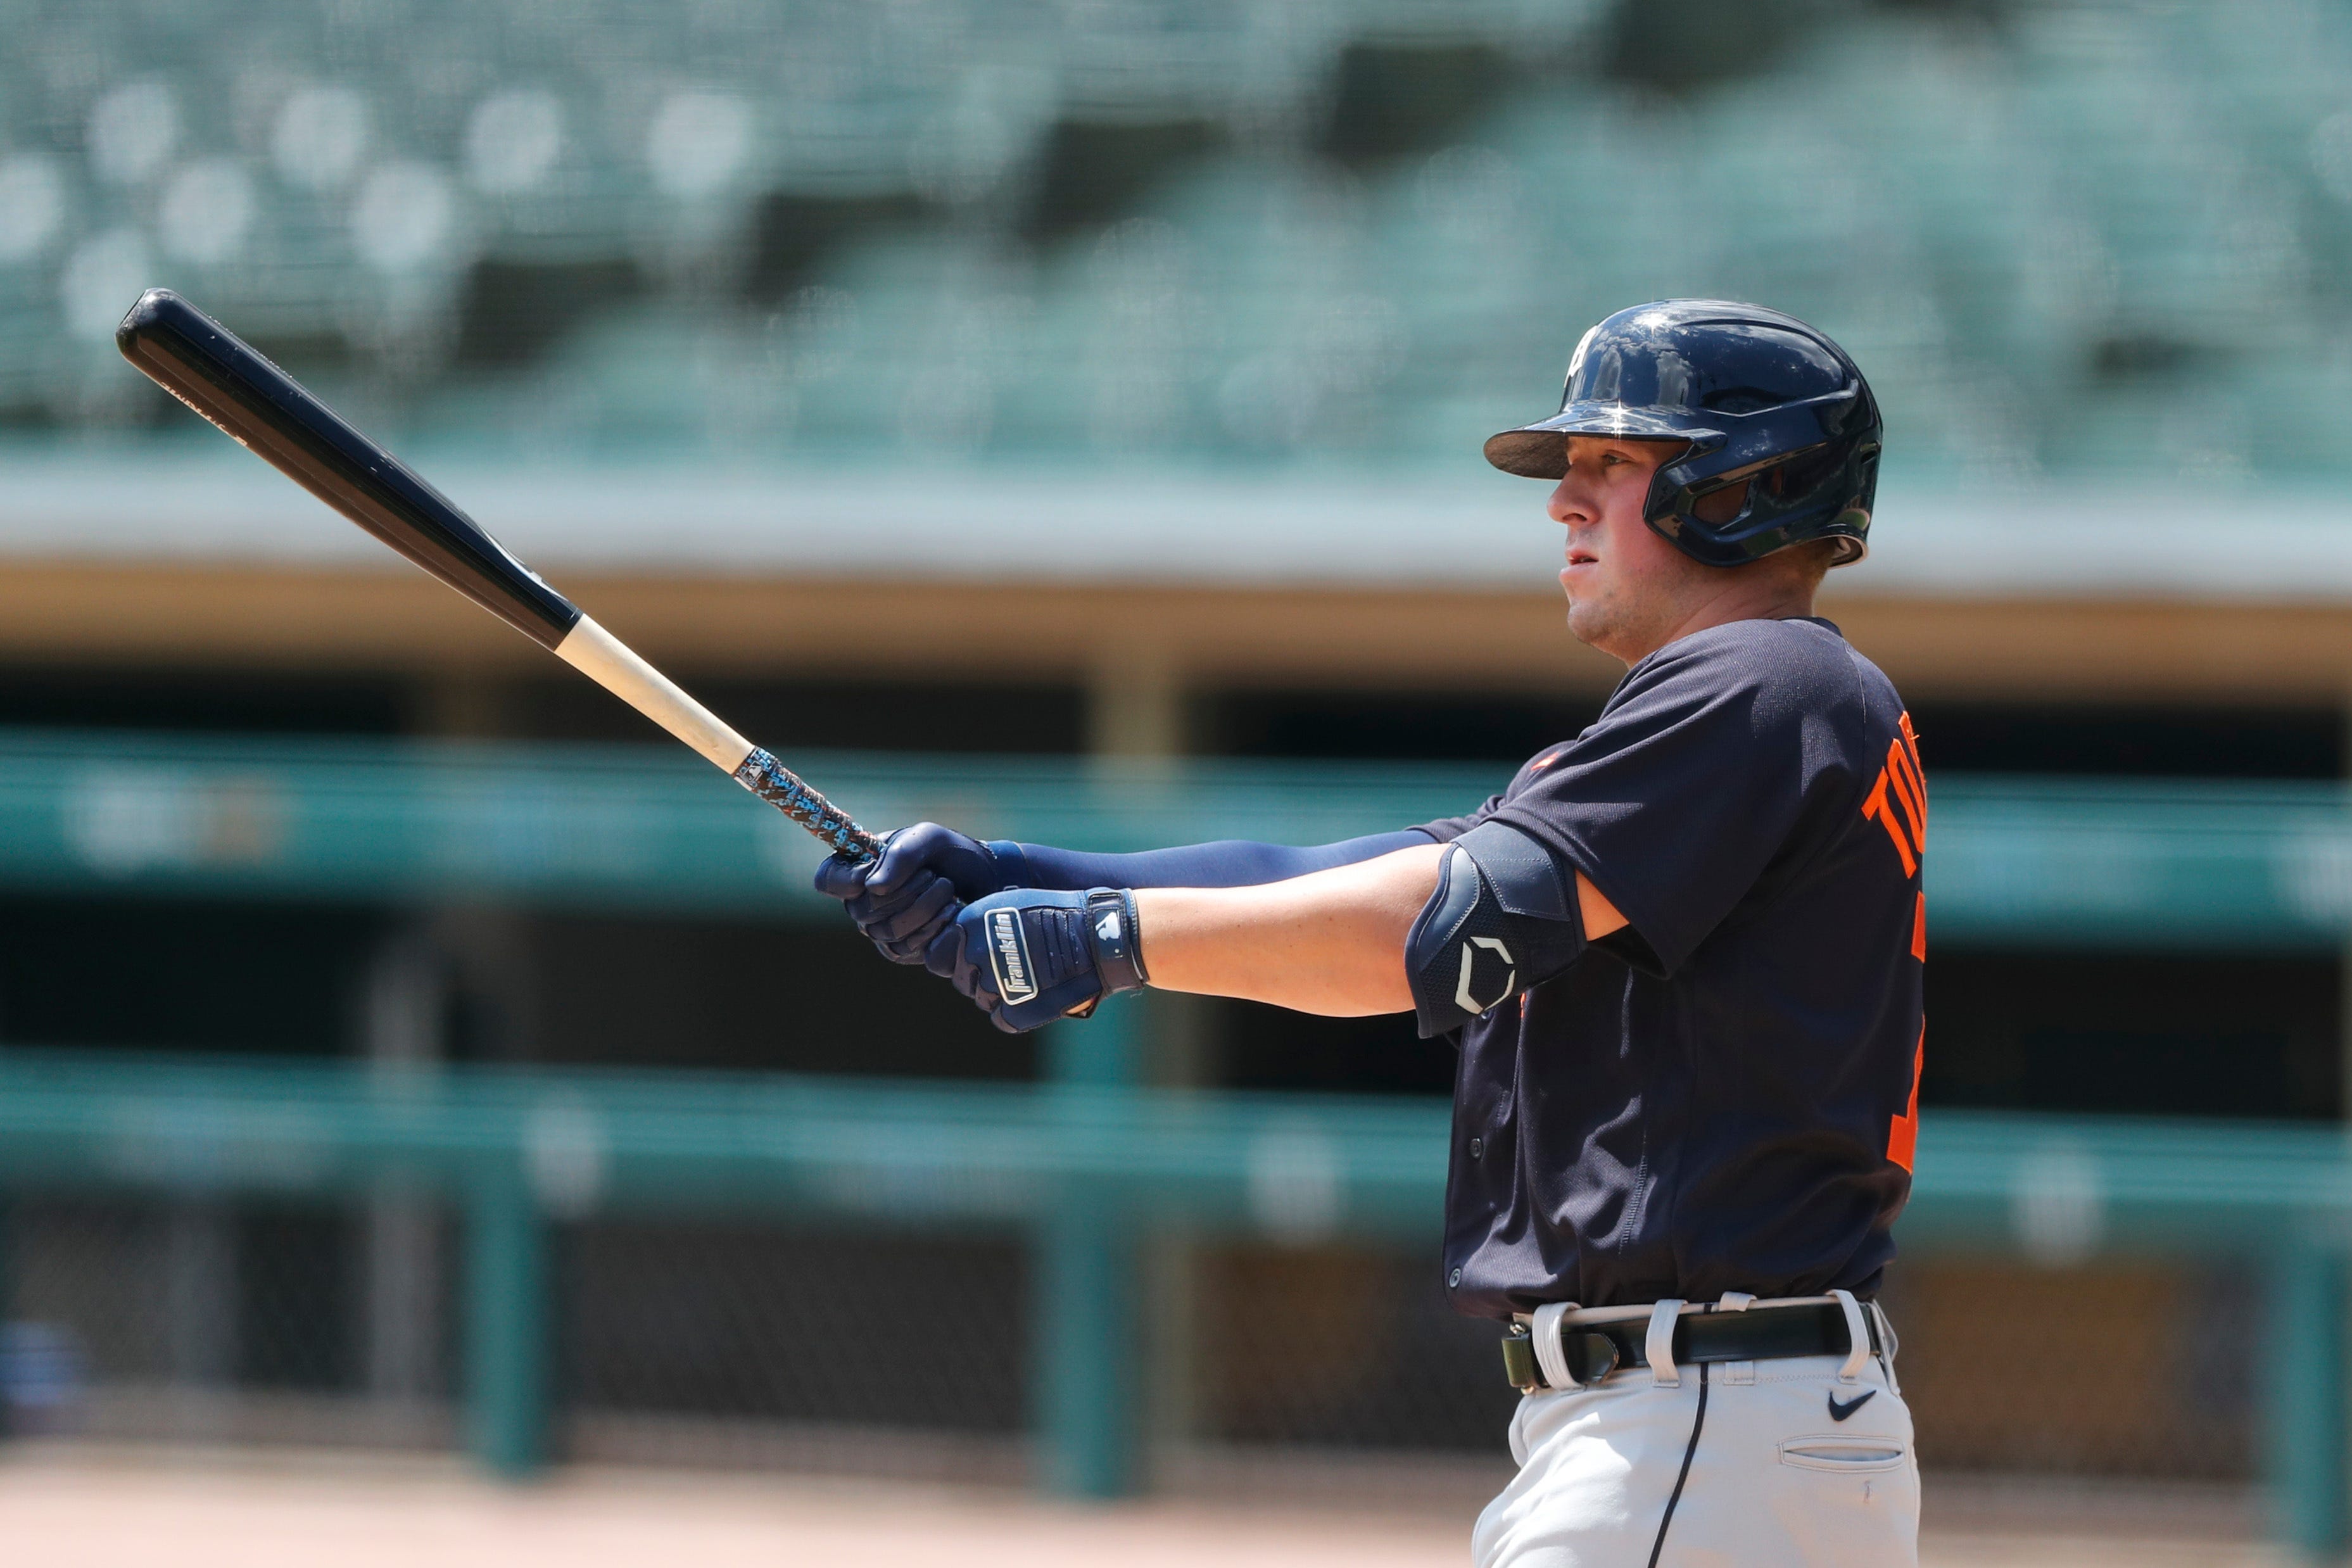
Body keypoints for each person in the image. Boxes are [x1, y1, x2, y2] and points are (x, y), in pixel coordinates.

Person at [817, 300, 1925, 1567]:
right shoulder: (1753, 707)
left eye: (1613, 461)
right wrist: (1032, 875)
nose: (1563, 501)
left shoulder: (1764, 680)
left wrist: (1102, 939)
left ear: (1749, 483)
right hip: (1716, 1427)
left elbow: (1430, 930)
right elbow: (1348, 876)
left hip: (1700, 1424)